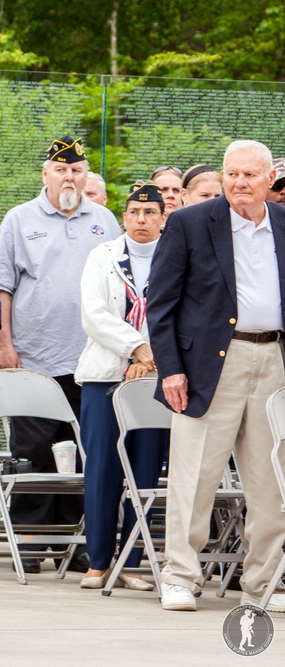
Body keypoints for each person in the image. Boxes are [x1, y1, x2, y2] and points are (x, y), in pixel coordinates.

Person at [148, 139, 285, 613]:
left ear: (270, 178)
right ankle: (181, 576)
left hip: (274, 362)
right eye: (232, 174)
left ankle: (264, 582)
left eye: (250, 174)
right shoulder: (189, 223)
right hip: (207, 367)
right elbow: (160, 304)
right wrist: (170, 369)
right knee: (195, 476)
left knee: (272, 480)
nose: (239, 183)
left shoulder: (284, 225)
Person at [0, 135, 121, 574]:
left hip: (92, 360)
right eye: (61, 169)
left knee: (88, 452)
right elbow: (1, 286)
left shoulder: (104, 220)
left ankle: (81, 539)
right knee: (33, 450)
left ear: (86, 176)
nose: (69, 176)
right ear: (45, 174)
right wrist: (5, 343)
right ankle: (29, 537)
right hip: (35, 356)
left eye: (77, 170)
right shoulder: (19, 219)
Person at [74, 181, 168, 591]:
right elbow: (93, 314)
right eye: (134, 213)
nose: (141, 220)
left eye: (150, 213)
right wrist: (137, 350)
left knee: (145, 470)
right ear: (123, 217)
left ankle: (131, 561)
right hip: (105, 375)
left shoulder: (176, 256)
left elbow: (179, 313)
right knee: (102, 468)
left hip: (154, 378)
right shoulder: (102, 255)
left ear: (164, 218)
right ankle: (97, 561)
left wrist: (151, 361)